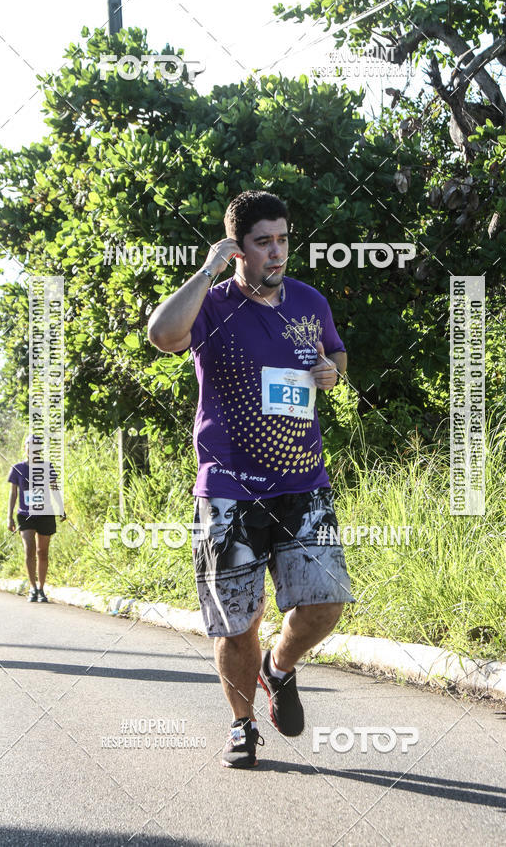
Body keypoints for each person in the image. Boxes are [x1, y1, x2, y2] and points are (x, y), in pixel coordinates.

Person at [148, 190, 355, 768]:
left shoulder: (311, 302)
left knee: (325, 603)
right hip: (229, 490)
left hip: (302, 483)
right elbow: (162, 335)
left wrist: (330, 373)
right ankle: (242, 725)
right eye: (262, 242)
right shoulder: (212, 305)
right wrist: (207, 271)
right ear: (237, 249)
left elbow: (337, 359)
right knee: (238, 623)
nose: (276, 252)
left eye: (283, 239)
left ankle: (279, 669)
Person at [7, 434, 66, 603]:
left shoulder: (47, 467)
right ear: (25, 448)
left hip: (45, 514)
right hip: (25, 515)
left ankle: (41, 589)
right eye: (29, 445)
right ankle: (32, 588)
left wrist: (60, 508)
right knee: (29, 549)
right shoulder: (17, 468)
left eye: (36, 446)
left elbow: (54, 489)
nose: (32, 448)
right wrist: (9, 517)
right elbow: (13, 493)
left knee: (43, 552)